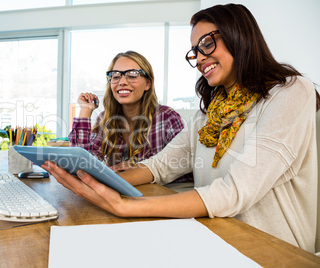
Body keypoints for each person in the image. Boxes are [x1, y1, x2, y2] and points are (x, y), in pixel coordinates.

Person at [43, 4, 319, 252]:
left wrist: (126, 205)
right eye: (195, 52)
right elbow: (161, 165)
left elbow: (235, 191)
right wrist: (98, 179)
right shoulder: (210, 113)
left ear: (240, 35)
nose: (199, 59)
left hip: (272, 250)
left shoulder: (291, 92)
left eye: (207, 44)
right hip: (214, 237)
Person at [69, 51, 190, 183]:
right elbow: (82, 166)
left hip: (162, 196)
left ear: (148, 84)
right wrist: (85, 111)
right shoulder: (105, 120)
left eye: (132, 75)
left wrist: (141, 169)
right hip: (122, 195)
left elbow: (181, 165)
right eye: (115, 76)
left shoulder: (167, 118)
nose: (122, 82)